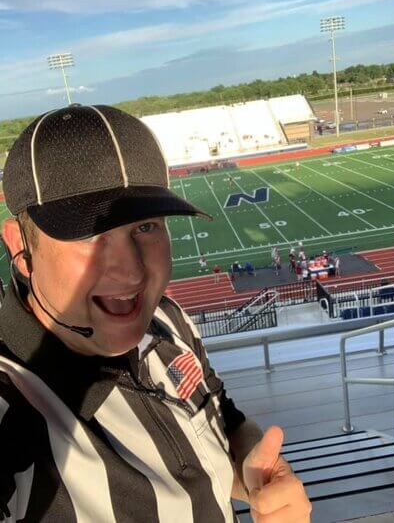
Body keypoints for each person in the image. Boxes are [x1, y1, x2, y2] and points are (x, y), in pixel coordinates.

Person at [0, 105, 311, 523]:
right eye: (90, 235)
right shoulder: (11, 405)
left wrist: (260, 476)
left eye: (146, 227)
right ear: (21, 246)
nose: (132, 273)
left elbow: (223, 418)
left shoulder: (167, 319)